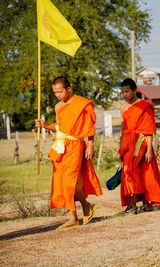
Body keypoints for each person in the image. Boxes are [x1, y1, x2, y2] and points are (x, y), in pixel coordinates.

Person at [35, 76, 102, 229]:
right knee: (67, 182)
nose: (58, 95)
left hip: (76, 145)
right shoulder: (58, 107)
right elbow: (59, 127)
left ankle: (80, 212)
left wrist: (90, 144)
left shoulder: (82, 104)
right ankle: (77, 213)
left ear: (68, 89)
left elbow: (89, 127)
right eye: (55, 92)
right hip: (60, 145)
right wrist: (45, 125)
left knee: (68, 180)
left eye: (60, 91)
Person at [118, 79, 160, 214]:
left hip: (141, 142)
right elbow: (123, 129)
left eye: (127, 91)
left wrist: (149, 150)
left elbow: (148, 129)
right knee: (138, 172)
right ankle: (145, 204)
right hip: (128, 142)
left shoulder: (144, 106)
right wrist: (121, 148)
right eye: (122, 92)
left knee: (130, 171)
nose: (124, 94)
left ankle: (133, 205)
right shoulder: (123, 107)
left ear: (135, 91)